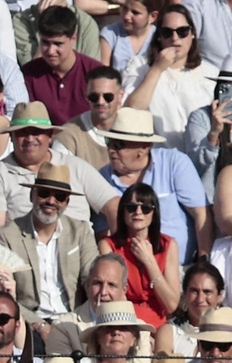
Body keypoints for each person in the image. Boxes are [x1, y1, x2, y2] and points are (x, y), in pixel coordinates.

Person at [0, 101, 116, 232]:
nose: (30, 139)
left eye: (36, 132)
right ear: (11, 137)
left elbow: (114, 205)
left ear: (50, 136)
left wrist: (116, 243)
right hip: (25, 251)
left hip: (80, 251)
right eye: (22, 132)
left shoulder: (75, 166)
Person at [0, 162, 101, 326]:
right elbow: (4, 294)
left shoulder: (80, 231)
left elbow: (93, 278)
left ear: (67, 202)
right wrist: (39, 325)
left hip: (73, 319)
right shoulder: (6, 235)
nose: (51, 201)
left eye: (60, 197)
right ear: (32, 195)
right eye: (44, 193)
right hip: (27, 322)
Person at [96, 106, 212, 261]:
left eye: (118, 144)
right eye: (108, 141)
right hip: (129, 272)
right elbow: (102, 233)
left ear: (143, 147)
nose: (110, 149)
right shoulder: (101, 179)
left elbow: (201, 213)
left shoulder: (174, 163)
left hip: (181, 269)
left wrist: (204, 262)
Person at [120, 4, 216, 152]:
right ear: (158, 36)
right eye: (167, 32)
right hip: (159, 156)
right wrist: (157, 69)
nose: (175, 38)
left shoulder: (210, 73)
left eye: (182, 32)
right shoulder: (140, 66)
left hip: (200, 158)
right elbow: (131, 110)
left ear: (192, 34)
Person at [100, 182, 182, 327]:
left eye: (145, 208)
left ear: (154, 213)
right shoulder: (109, 246)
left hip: (160, 324)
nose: (138, 212)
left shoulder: (168, 245)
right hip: (125, 321)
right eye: (131, 207)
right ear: (123, 212)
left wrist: (149, 261)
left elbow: (171, 305)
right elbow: (112, 296)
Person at [20, 5, 104, 124]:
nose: (50, 51)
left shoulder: (95, 73)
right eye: (45, 42)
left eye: (58, 44)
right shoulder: (28, 74)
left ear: (73, 38)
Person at [54, 64, 128, 169]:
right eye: (94, 96)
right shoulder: (68, 135)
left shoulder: (133, 130)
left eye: (108, 97)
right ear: (86, 95)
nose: (101, 102)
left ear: (120, 96)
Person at [157, 260, 227, 353]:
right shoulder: (169, 332)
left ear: (220, 295)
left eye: (207, 292)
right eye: (194, 291)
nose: (200, 299)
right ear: (185, 294)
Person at [99, 0, 162, 70]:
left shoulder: (159, 37)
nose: (127, 16)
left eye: (135, 13)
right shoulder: (110, 34)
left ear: (152, 16)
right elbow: (102, 73)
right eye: (125, 8)